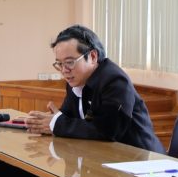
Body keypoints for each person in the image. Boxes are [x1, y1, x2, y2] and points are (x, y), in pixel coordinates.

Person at [25, 25, 164, 152]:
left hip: (141, 161)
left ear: (92, 56)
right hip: (103, 156)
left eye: (69, 62)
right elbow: (68, 117)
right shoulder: (75, 80)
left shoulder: (115, 81)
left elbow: (109, 130)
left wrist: (57, 124)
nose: (64, 70)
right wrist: (43, 121)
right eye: (59, 64)